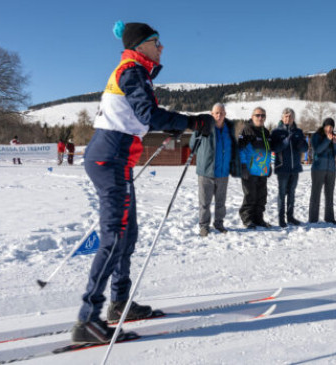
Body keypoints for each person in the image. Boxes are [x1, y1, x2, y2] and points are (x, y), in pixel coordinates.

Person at [72, 21, 213, 344]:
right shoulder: (132, 69)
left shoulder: (136, 71)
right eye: (156, 42)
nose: (162, 47)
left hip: (116, 157)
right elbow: (148, 114)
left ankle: (120, 303)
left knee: (127, 234)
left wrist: (178, 125)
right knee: (114, 237)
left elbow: (140, 116)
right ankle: (88, 320)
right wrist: (191, 121)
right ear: (140, 45)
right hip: (110, 158)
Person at [189, 103, 241, 237]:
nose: (219, 115)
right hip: (206, 171)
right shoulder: (205, 127)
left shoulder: (229, 130)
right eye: (216, 113)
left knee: (221, 202)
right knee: (204, 202)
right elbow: (192, 145)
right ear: (212, 114)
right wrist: (197, 131)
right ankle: (204, 226)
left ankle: (219, 223)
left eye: (221, 113)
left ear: (225, 114)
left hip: (223, 173)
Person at [271, 108, 308, 227]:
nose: (288, 118)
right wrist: (285, 142)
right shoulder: (276, 132)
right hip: (282, 168)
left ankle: (290, 217)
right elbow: (275, 148)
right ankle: (281, 219)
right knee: (282, 193)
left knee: (291, 193)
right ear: (282, 118)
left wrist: (302, 144)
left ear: (293, 118)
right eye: (286, 116)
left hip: (295, 168)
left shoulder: (298, 131)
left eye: (290, 116)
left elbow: (305, 149)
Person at [238, 107, 272, 229]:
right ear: (252, 117)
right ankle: (247, 219)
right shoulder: (247, 130)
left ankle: (258, 218)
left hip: (262, 170)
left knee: (262, 196)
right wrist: (243, 166)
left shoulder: (266, 132)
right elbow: (241, 149)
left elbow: (268, 151)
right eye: (257, 115)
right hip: (250, 169)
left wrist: (269, 166)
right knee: (250, 195)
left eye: (263, 115)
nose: (260, 118)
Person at [309, 118, 336, 224]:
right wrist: (327, 140)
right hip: (318, 169)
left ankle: (329, 217)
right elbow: (318, 150)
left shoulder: (333, 137)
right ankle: (313, 219)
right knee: (316, 194)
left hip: (331, 169)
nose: (329, 128)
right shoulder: (316, 136)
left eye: (331, 127)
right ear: (324, 126)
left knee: (330, 195)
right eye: (327, 126)